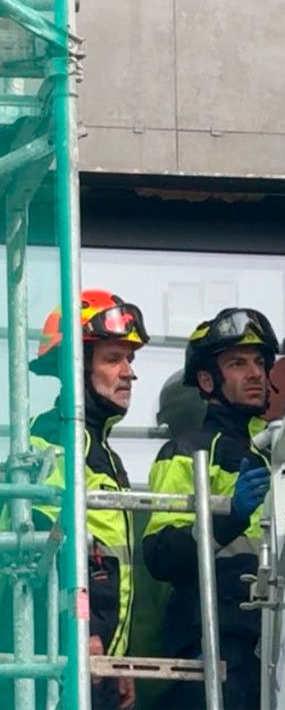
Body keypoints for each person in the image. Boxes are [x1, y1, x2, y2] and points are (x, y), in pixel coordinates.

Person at [143, 307, 278, 710]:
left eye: (259, 362)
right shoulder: (186, 451)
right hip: (212, 650)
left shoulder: (274, 455)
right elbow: (160, 555)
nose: (255, 373)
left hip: (270, 649)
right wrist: (228, 518)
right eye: (237, 363)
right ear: (206, 380)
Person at [27, 289, 148, 709]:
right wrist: (77, 635)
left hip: (94, 663)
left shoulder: (102, 452)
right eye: (114, 359)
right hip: (60, 662)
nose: (129, 373)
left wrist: (118, 661)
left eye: (130, 360)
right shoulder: (53, 440)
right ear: (77, 367)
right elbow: (42, 551)